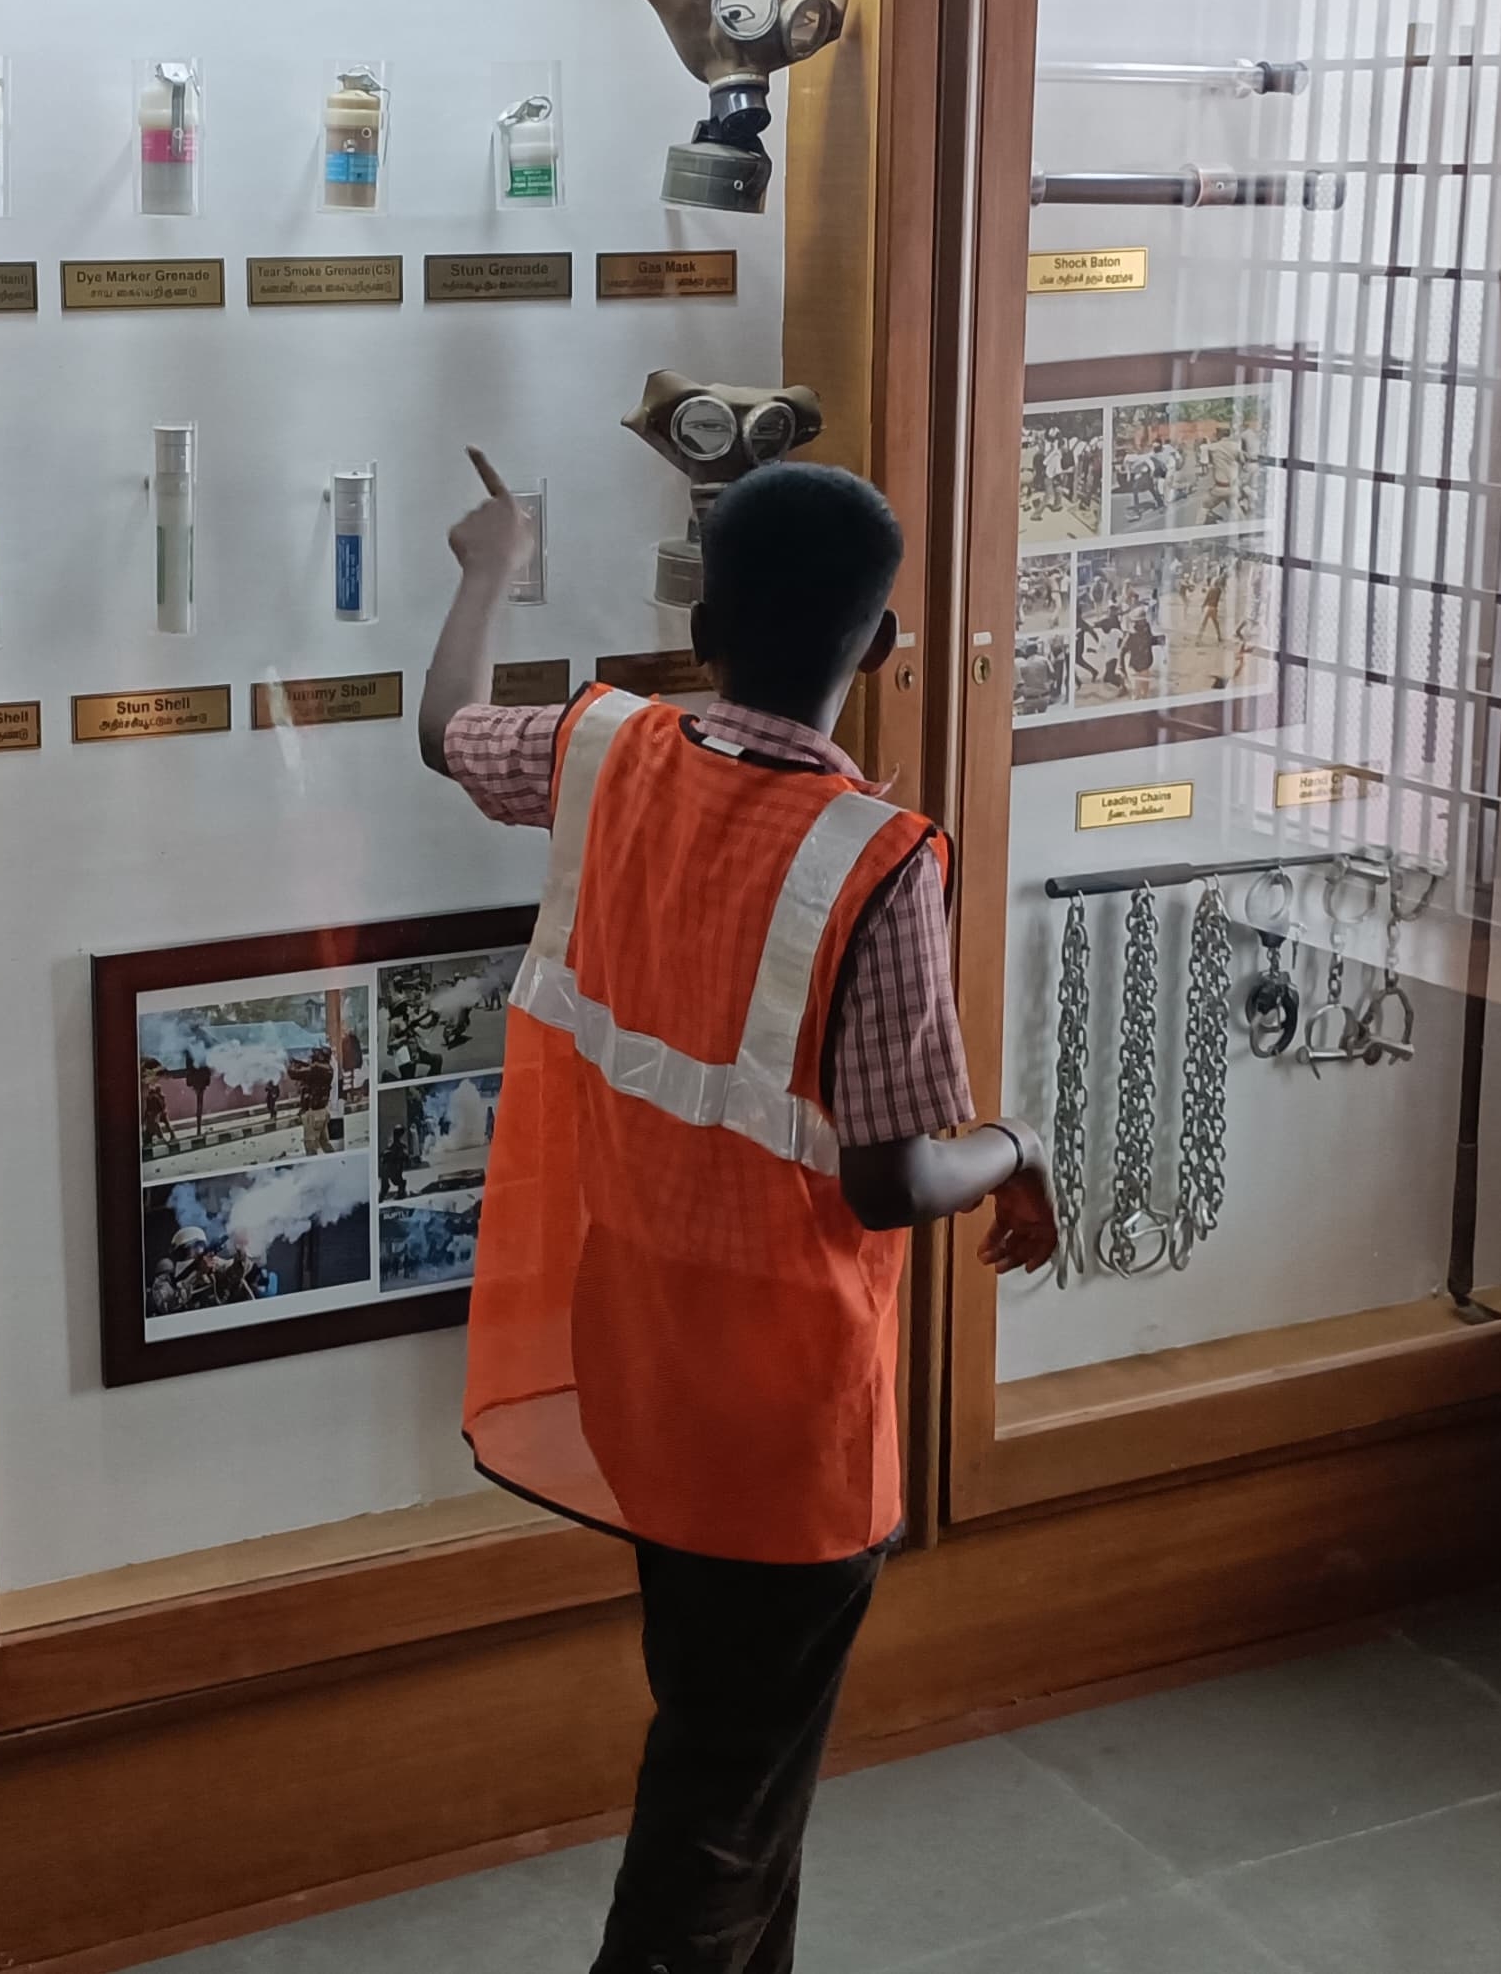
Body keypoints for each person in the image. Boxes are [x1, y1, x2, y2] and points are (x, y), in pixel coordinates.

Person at [418, 450, 1057, 1974]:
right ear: (883, 647)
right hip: (786, 1413)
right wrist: (1017, 1142)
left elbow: (442, 727)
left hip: (642, 1355)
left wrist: (489, 563)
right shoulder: (880, 859)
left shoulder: (604, 751)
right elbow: (891, 1181)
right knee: (724, 1796)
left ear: (700, 630)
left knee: (733, 1757)